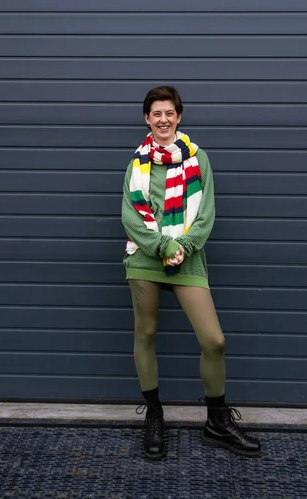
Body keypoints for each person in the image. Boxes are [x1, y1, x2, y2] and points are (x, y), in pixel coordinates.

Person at [121, 85, 262, 460]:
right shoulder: (136, 164)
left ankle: (216, 423)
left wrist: (182, 246)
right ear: (147, 119)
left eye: (169, 112)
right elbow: (130, 217)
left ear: (178, 117)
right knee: (146, 333)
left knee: (214, 340)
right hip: (145, 257)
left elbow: (206, 215)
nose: (163, 119)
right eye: (156, 113)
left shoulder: (199, 159)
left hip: (189, 255)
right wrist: (163, 246)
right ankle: (154, 415)